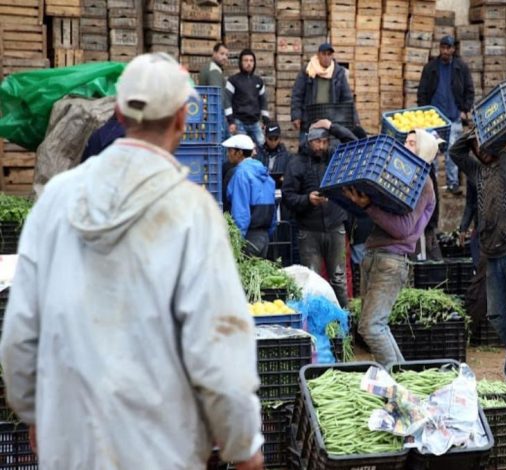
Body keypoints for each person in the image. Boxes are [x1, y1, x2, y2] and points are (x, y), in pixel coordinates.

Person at [0, 53, 264, 469]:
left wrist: (33, 410)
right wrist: (242, 445)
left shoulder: (56, 200)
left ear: (119, 113)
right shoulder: (191, 211)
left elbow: (21, 329)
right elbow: (218, 342)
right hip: (159, 446)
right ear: (182, 118)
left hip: (71, 443)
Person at [450, 128, 506, 387]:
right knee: (496, 316)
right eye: (477, 145)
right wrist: (472, 132)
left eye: (484, 143)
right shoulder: (480, 172)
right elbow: (455, 152)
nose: (480, 149)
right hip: (492, 252)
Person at [342, 129, 438, 367]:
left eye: (412, 143)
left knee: (371, 326)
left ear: (424, 152)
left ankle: (396, 379)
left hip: (391, 260)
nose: (405, 146)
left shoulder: (422, 183)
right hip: (375, 255)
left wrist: (369, 206)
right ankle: (402, 374)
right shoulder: (400, 179)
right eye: (405, 141)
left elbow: (403, 229)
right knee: (374, 325)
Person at [282, 119, 357, 307]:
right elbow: (288, 197)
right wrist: (307, 200)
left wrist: (332, 126)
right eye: (317, 142)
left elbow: (354, 143)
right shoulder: (296, 163)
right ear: (309, 141)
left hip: (335, 226)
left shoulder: (334, 156)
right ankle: (314, 320)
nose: (321, 146)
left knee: (339, 279)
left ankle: (345, 318)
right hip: (309, 231)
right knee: (312, 280)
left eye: (325, 142)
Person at [417, 35, 475, 196]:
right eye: (442, 47)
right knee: (432, 151)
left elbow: (469, 90)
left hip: (453, 117)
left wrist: (464, 109)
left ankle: (453, 183)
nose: (445, 51)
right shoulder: (430, 68)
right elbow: (422, 91)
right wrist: (424, 111)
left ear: (453, 49)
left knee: (452, 152)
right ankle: (432, 184)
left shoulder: (460, 68)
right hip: (433, 119)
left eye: (448, 48)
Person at [223, 134, 277, 258]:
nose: (228, 154)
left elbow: (241, 213)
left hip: (248, 237)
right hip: (264, 237)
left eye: (230, 150)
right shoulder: (265, 173)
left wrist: (237, 242)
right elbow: (273, 211)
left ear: (239, 153)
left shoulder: (241, 174)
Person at [291, 43, 356, 138]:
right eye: (324, 54)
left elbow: (347, 98)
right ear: (318, 55)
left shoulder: (338, 73)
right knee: (306, 144)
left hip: (331, 121)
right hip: (309, 120)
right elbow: (297, 95)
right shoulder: (308, 71)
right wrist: (296, 116)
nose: (326, 57)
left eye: (329, 54)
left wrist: (355, 120)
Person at [225, 49, 270, 150]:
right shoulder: (232, 81)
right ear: (240, 62)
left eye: (251, 60)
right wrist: (231, 121)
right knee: (242, 150)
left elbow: (263, 101)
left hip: (255, 122)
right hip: (239, 122)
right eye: (245, 60)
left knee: (263, 148)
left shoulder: (259, 81)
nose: (249, 63)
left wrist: (266, 121)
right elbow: (227, 100)